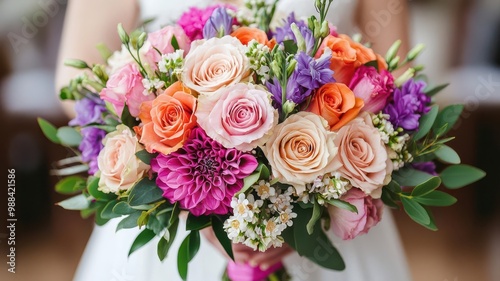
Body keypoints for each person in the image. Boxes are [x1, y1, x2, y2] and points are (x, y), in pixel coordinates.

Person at [56, 0, 413, 280]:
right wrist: (195, 205)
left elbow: (397, 75)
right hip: (174, 209)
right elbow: (76, 82)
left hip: (325, 203)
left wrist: (302, 208)